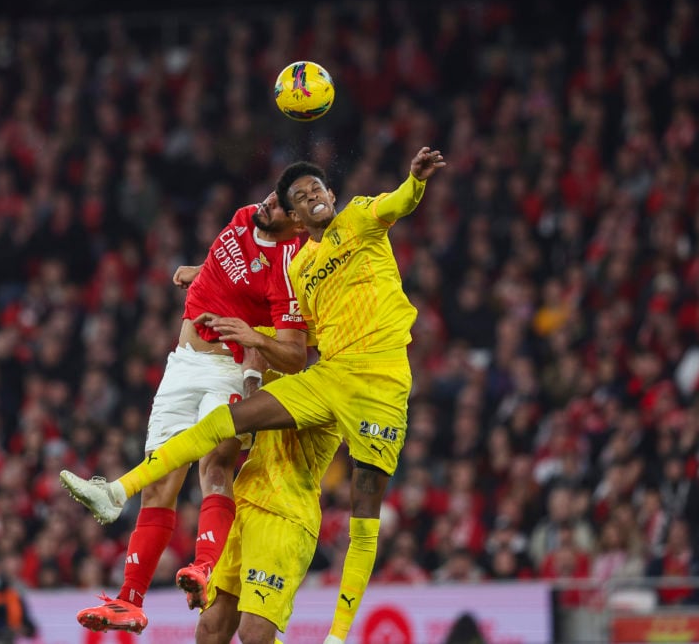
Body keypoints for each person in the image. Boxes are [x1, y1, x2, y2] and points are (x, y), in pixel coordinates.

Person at [61, 147, 446, 644]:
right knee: (212, 629)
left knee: (263, 626)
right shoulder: (299, 271)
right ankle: (117, 491)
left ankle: (337, 636)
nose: (308, 198)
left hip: (365, 402)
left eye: (315, 190)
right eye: (297, 196)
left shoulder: (360, 219)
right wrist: (206, 280)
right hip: (255, 492)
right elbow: (268, 314)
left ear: (331, 195)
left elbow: (395, 205)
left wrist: (414, 182)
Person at [73, 191, 309, 634]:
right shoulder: (244, 217)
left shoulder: (289, 270)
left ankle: (205, 568)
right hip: (183, 362)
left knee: (215, 463)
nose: (270, 200)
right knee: (158, 480)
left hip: (230, 368)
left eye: (281, 203)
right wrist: (201, 272)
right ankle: (129, 601)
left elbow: (294, 348)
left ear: (296, 223)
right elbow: (235, 274)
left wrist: (255, 360)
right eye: (274, 193)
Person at [195, 338, 341, 644]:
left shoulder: (329, 393)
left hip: (284, 514)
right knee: (211, 627)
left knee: (254, 633)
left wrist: (252, 369)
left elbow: (254, 414)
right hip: (244, 504)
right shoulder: (288, 372)